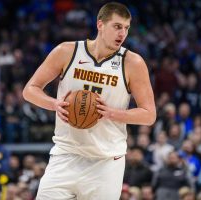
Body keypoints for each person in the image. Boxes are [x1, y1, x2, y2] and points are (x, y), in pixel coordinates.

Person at [22, 2, 156, 200]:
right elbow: (30, 90)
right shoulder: (67, 51)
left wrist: (112, 113)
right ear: (100, 25)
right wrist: (55, 105)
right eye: (117, 26)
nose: (123, 34)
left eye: (126, 28)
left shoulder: (132, 63)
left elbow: (149, 114)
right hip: (65, 154)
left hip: (106, 162)